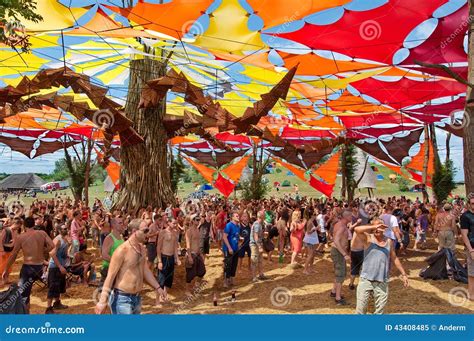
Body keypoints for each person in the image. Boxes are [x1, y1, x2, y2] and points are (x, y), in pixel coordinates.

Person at [95, 219, 165, 315]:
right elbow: (110, 277)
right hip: (122, 299)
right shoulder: (122, 250)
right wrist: (102, 301)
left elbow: (146, 271)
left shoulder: (142, 249)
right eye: (145, 230)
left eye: (148, 230)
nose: (148, 233)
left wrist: (158, 288)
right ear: (134, 232)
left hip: (137, 298)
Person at [355, 220, 409, 314]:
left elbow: (394, 258)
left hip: (382, 280)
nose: (377, 229)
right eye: (375, 227)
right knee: (361, 310)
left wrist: (404, 274)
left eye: (380, 227)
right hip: (366, 279)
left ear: (384, 228)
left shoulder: (389, 241)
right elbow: (356, 229)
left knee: (380, 310)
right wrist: (373, 227)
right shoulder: (368, 238)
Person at [2, 217, 54, 313]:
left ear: (24, 226)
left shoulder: (21, 237)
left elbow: (13, 255)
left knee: (23, 297)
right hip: (40, 268)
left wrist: (6, 269)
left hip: (28, 268)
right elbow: (52, 245)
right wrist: (42, 251)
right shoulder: (42, 233)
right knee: (49, 285)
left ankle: (26, 316)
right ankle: (51, 306)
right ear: (34, 224)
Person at [46, 225, 70, 314]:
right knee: (53, 287)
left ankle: (57, 303)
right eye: (63, 228)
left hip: (61, 266)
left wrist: (67, 257)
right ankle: (48, 308)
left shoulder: (65, 239)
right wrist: (60, 266)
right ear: (59, 230)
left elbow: (63, 253)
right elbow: (52, 254)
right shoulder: (58, 240)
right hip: (55, 267)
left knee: (59, 287)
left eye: (66, 228)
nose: (66, 229)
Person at [330, 209, 352, 305]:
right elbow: (336, 240)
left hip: (338, 251)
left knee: (338, 272)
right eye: (350, 216)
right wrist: (344, 254)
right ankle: (338, 298)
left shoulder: (339, 224)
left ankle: (333, 292)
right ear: (346, 217)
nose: (352, 217)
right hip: (338, 252)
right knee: (340, 274)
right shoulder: (342, 227)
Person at [156, 218, 181, 303]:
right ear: (169, 223)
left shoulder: (174, 233)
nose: (175, 225)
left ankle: (165, 294)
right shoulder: (162, 232)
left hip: (170, 258)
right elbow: (158, 247)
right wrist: (159, 261)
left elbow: (175, 247)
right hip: (163, 257)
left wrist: (177, 258)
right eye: (174, 223)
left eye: (176, 223)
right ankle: (158, 299)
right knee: (161, 278)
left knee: (169, 278)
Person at [185, 215, 206, 296]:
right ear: (192, 221)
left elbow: (199, 244)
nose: (198, 221)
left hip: (197, 254)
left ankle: (195, 285)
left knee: (202, 271)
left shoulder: (198, 230)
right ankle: (187, 290)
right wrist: (189, 256)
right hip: (192, 254)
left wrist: (201, 254)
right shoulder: (189, 231)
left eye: (199, 220)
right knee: (190, 274)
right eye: (197, 220)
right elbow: (188, 244)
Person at [100, 216, 125, 282]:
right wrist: (117, 262)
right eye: (120, 223)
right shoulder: (109, 238)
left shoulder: (121, 238)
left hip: (118, 269)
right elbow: (104, 255)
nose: (122, 224)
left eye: (122, 223)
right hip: (108, 269)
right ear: (113, 225)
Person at [460, 196, 474, 301]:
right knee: (472, 273)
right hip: (472, 247)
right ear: (469, 204)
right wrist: (471, 250)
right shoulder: (465, 216)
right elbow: (464, 234)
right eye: (473, 203)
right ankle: (470, 294)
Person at [223, 212, 240, 288]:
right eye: (236, 216)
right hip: (228, 249)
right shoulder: (229, 225)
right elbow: (224, 237)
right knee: (228, 265)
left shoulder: (238, 226)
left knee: (234, 264)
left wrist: (239, 243)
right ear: (232, 217)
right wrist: (229, 247)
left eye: (238, 216)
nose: (238, 217)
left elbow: (236, 236)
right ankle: (226, 281)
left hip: (235, 248)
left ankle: (232, 279)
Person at [250, 210, 268, 282]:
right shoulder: (257, 224)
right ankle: (254, 277)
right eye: (264, 214)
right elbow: (255, 236)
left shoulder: (260, 224)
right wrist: (259, 246)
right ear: (261, 216)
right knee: (254, 260)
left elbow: (258, 235)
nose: (265, 216)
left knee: (260, 260)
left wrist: (264, 234)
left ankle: (261, 274)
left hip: (258, 244)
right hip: (255, 245)